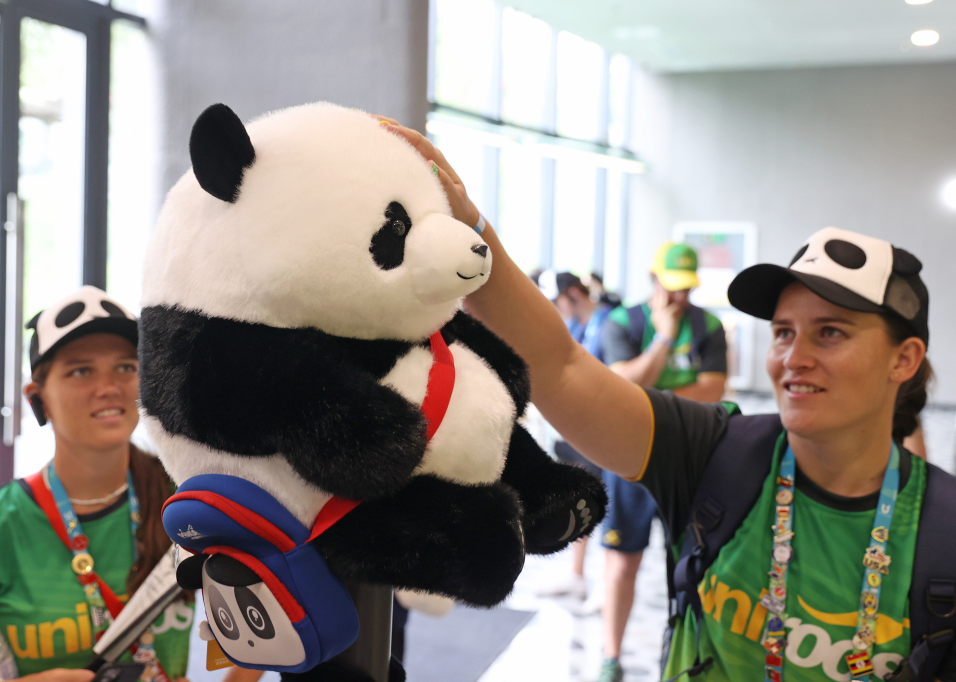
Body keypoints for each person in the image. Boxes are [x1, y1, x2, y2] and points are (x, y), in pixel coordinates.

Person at [375, 117, 955, 681]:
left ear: (903, 359)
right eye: (784, 332)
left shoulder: (941, 531)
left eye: (830, 332)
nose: (793, 357)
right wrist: (470, 224)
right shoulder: (716, 453)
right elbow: (561, 365)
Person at [0, 287, 259, 682]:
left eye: (125, 366)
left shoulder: (186, 506)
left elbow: (269, 614)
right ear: (38, 399)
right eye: (81, 370)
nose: (109, 386)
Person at [597, 243, 727, 682]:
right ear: (653, 281)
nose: (678, 298)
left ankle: (692, 655)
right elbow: (619, 385)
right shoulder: (623, 322)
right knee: (622, 561)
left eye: (686, 290)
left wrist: (649, 403)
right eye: (671, 289)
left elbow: (713, 390)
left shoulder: (709, 326)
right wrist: (665, 338)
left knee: (694, 563)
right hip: (628, 459)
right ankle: (610, 658)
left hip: (692, 459)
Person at [537, 272, 615, 603]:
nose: (555, 308)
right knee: (579, 498)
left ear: (572, 295)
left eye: (557, 301)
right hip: (576, 429)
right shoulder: (575, 327)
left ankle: (607, 589)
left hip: (602, 432)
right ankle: (578, 576)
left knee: (605, 506)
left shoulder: (609, 324)